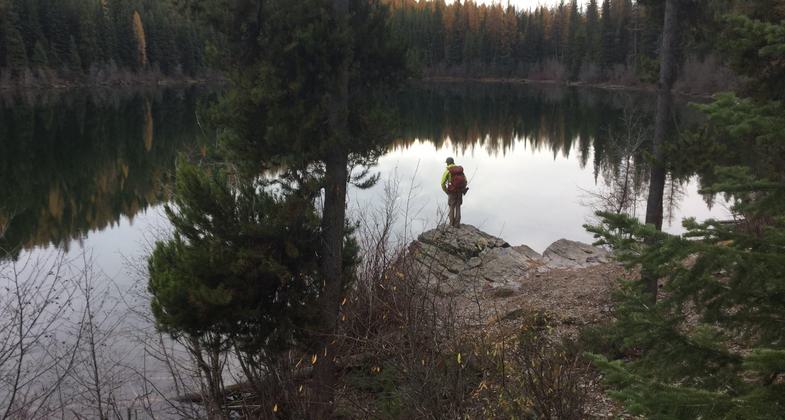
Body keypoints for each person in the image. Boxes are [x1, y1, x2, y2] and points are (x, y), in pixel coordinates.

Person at [440, 157, 468, 227]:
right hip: (460, 191)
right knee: (458, 206)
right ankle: (457, 224)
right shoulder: (460, 170)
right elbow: (465, 180)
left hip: (452, 192)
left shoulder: (448, 171)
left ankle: (451, 224)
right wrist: (462, 188)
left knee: (451, 206)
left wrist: (446, 191)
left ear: (447, 163)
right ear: (453, 162)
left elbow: (442, 183)